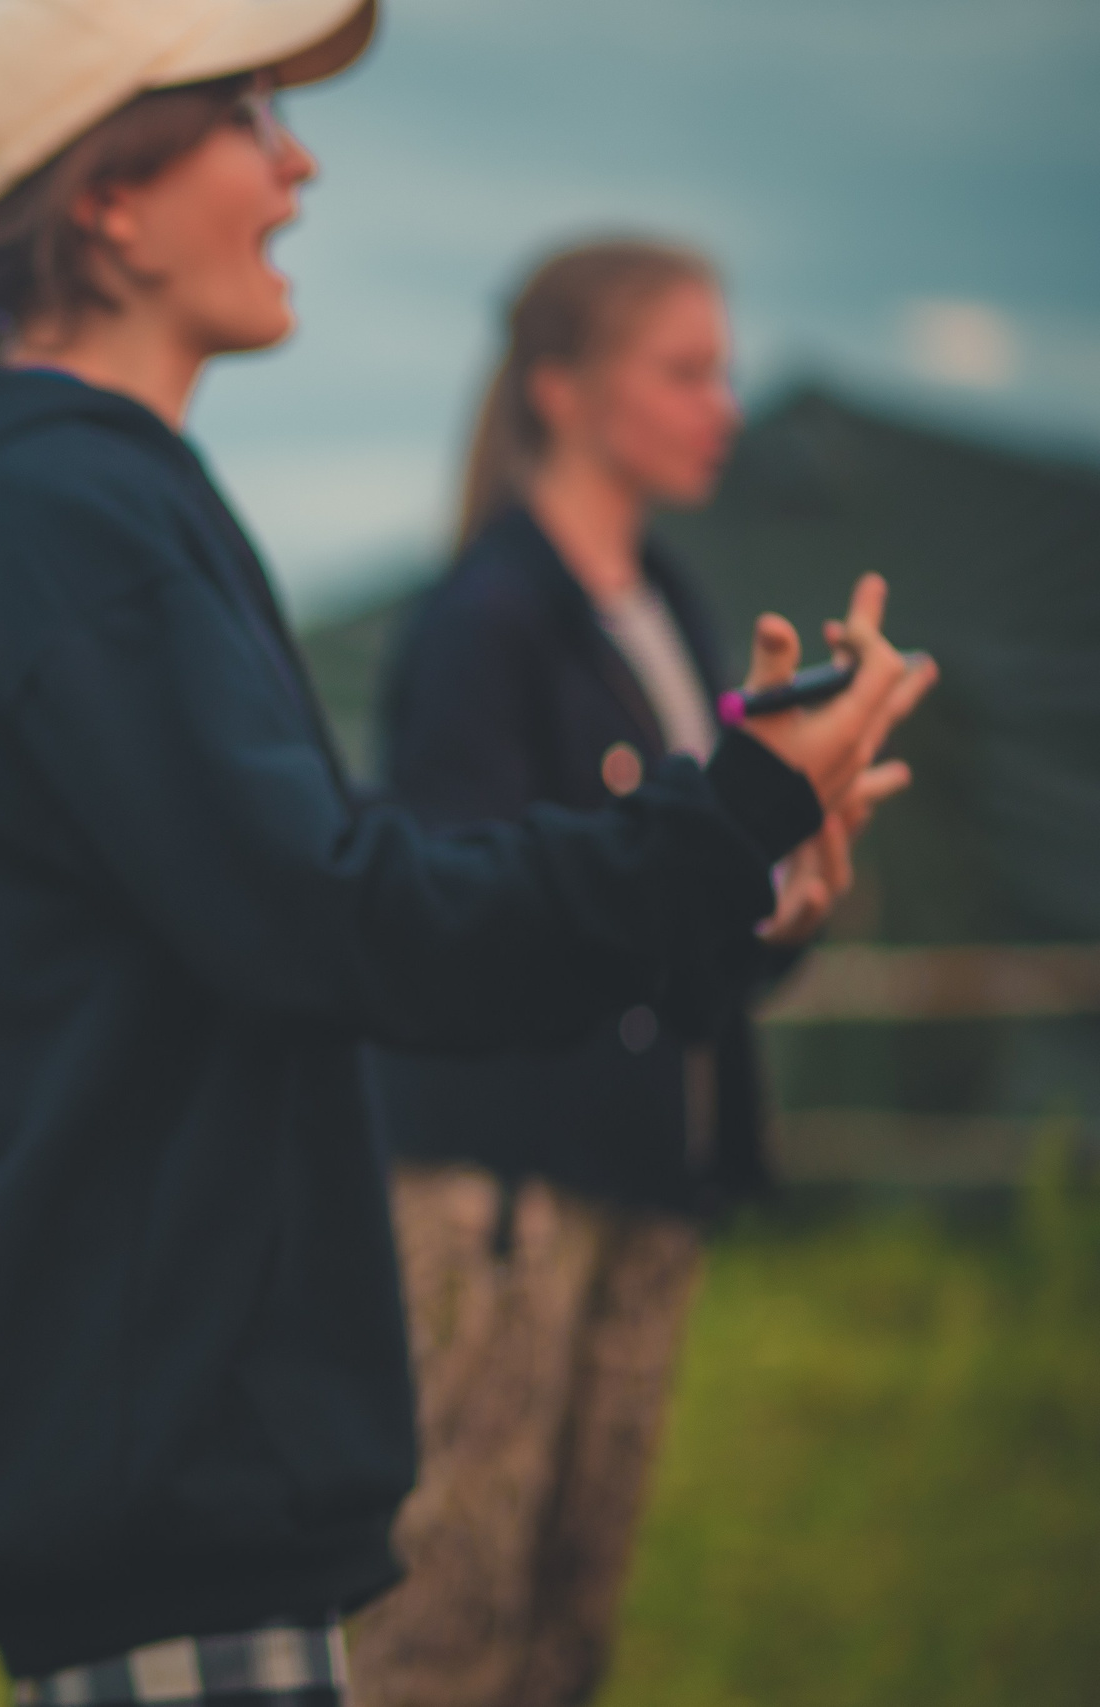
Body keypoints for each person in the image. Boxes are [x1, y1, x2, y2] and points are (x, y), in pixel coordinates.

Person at [0, 3, 934, 1704]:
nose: (300, 164)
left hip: (163, 1453)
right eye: (248, 111)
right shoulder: (62, 520)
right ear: (109, 202)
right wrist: (732, 810)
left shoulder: (86, 504)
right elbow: (346, 916)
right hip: (158, 1470)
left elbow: (312, 891)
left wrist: (737, 862)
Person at [348, 241, 868, 1707]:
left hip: (645, 1172)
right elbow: (474, 930)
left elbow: (667, 932)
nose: (725, 405)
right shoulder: (484, 625)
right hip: (503, 1193)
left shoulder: (672, 607)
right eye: (687, 370)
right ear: (565, 392)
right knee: (448, 1625)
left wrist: (788, 898)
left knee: (569, 1632)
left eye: (725, 369)